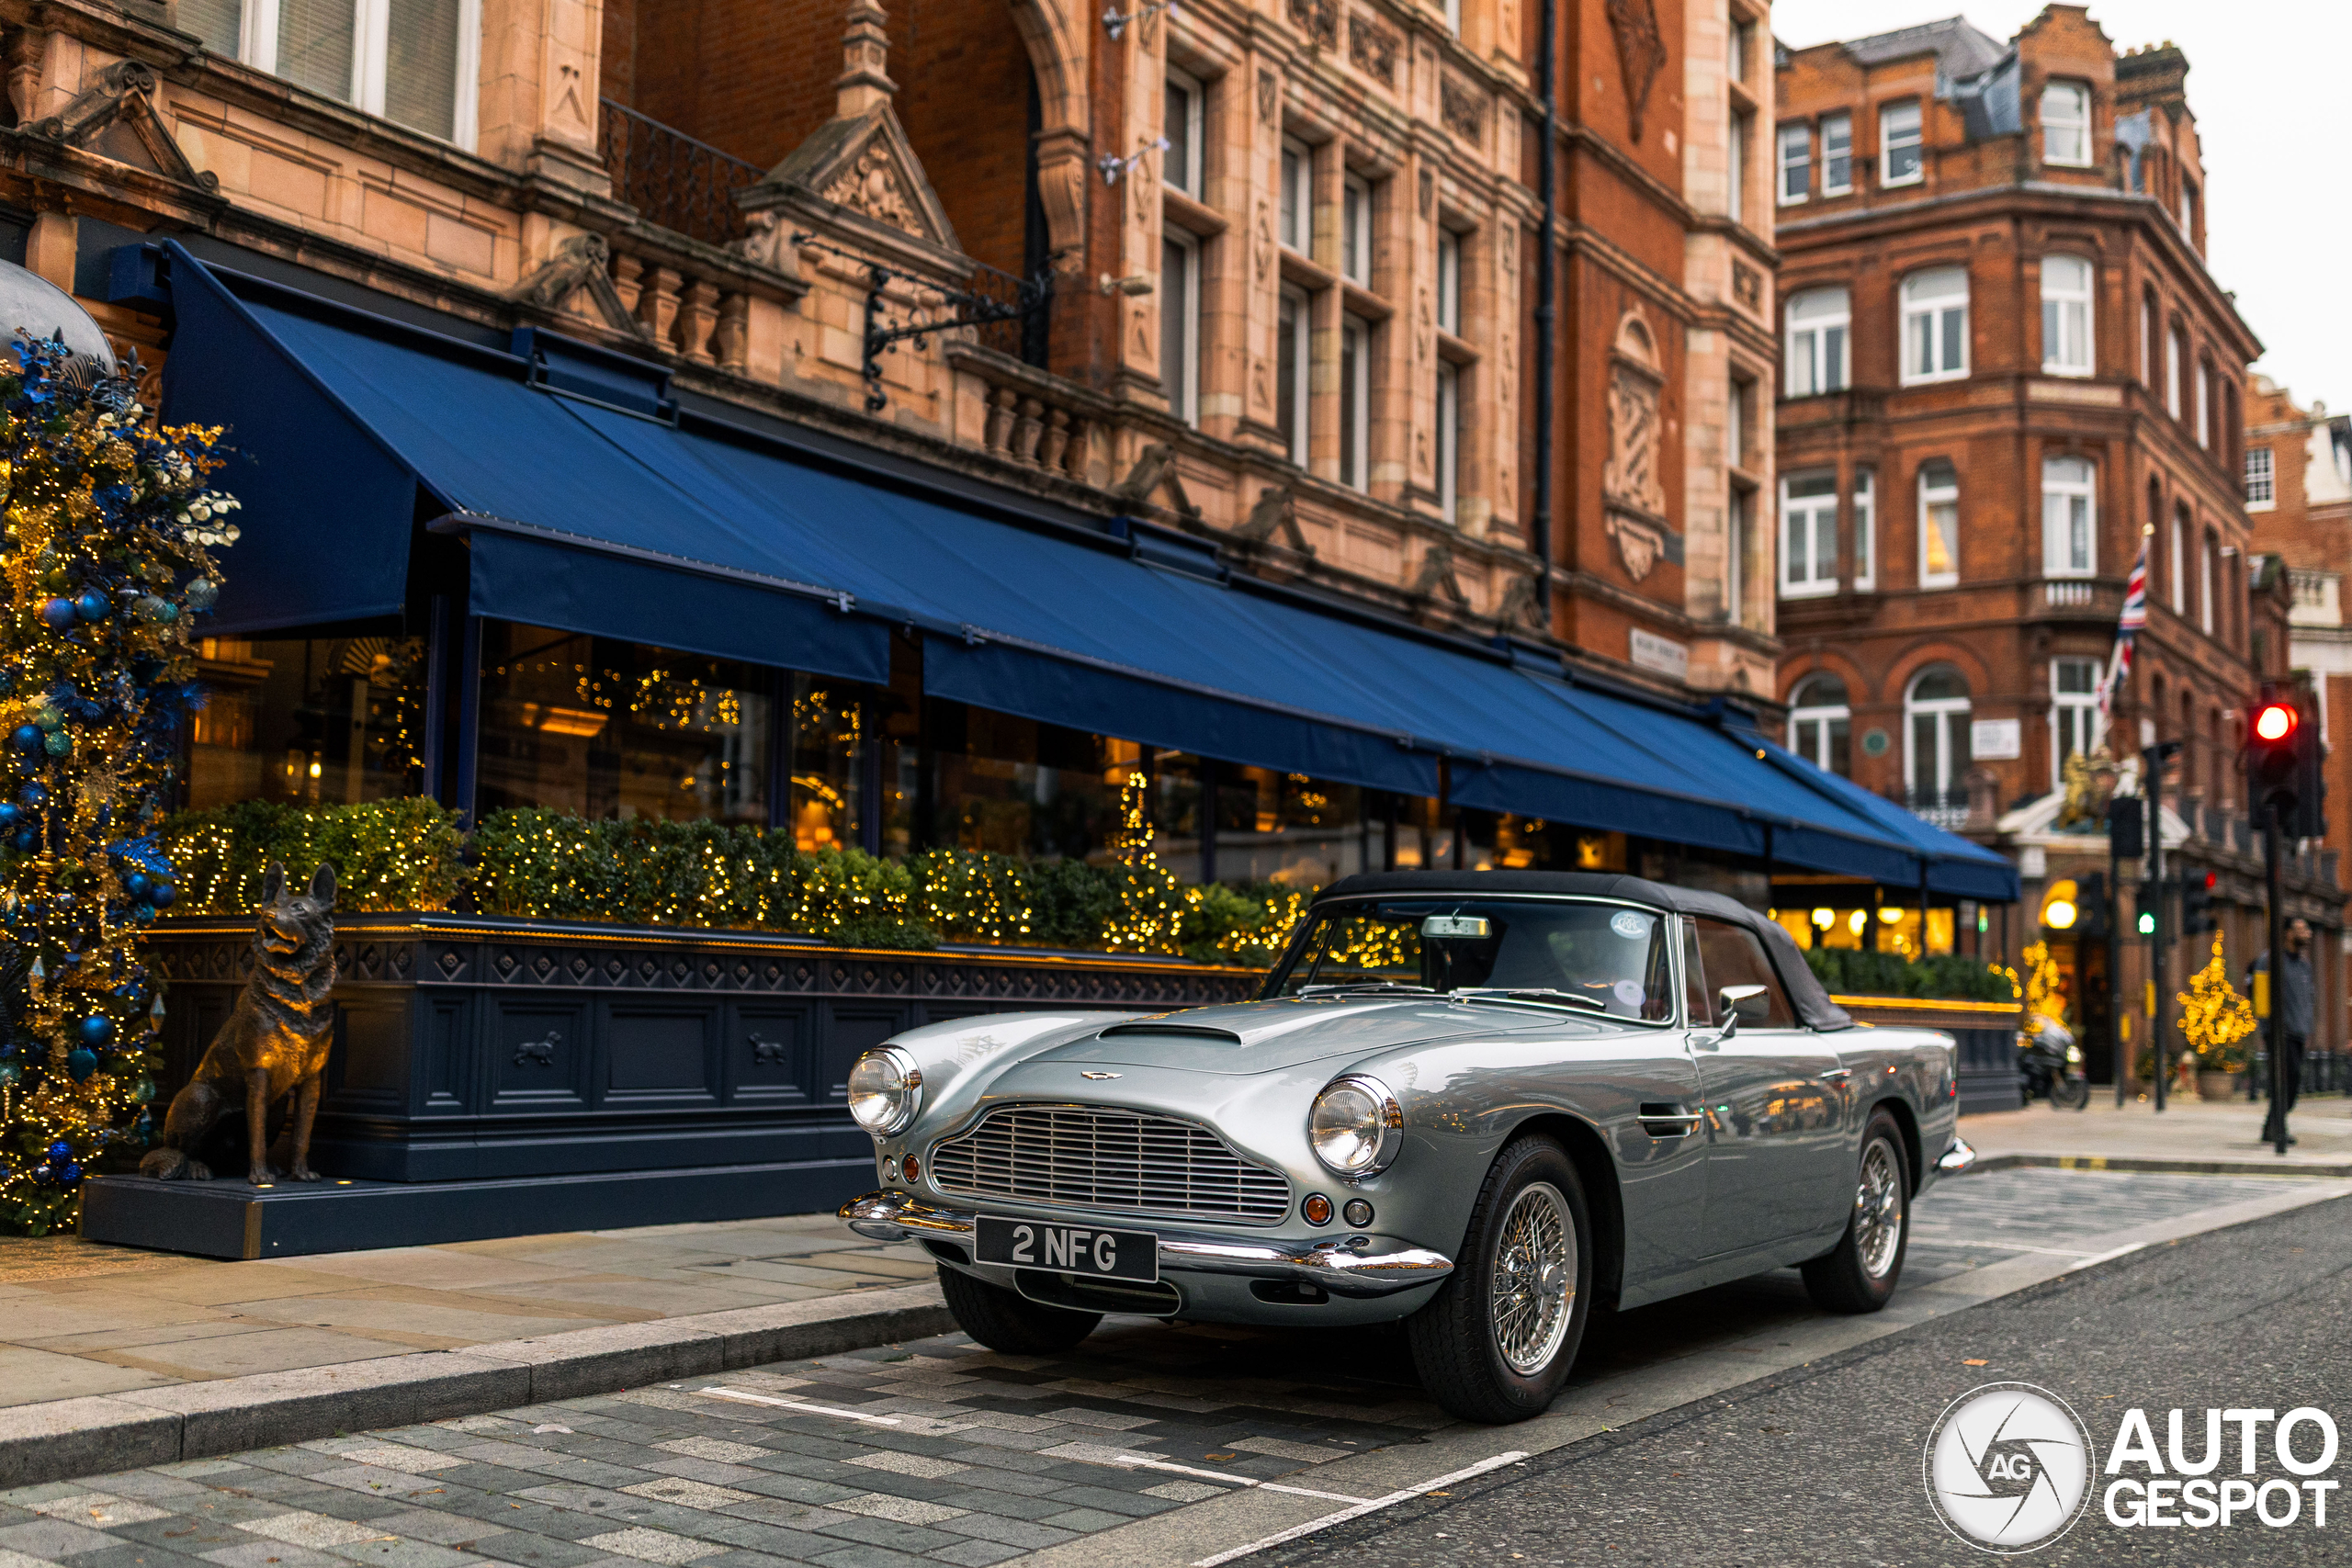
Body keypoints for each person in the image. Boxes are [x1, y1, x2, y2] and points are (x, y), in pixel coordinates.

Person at [2246, 917, 2314, 1145]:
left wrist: (2307, 1025)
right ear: (2287, 933)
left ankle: (2271, 1127)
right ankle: (2278, 1128)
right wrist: (2267, 1027)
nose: (2307, 933)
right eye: (2301, 929)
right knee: (2284, 1078)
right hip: (2279, 1032)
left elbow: (2308, 998)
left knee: (2293, 1081)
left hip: (2298, 1030)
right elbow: (2258, 992)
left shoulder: (2305, 965)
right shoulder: (2269, 960)